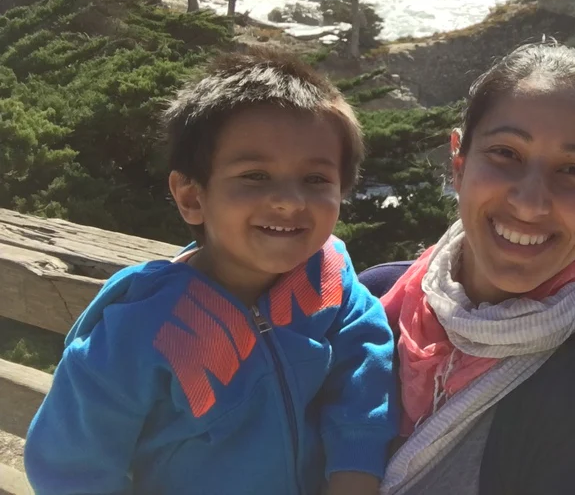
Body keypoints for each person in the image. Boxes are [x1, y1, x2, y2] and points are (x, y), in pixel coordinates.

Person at [25, 50, 397, 495]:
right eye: (255, 176)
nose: (289, 201)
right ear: (191, 197)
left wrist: (354, 476)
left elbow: (364, 373)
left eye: (316, 180)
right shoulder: (140, 326)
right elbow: (71, 467)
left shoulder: (328, 276)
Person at [360, 43, 575, 495]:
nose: (529, 202)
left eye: (573, 170)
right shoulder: (372, 303)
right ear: (458, 164)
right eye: (506, 153)